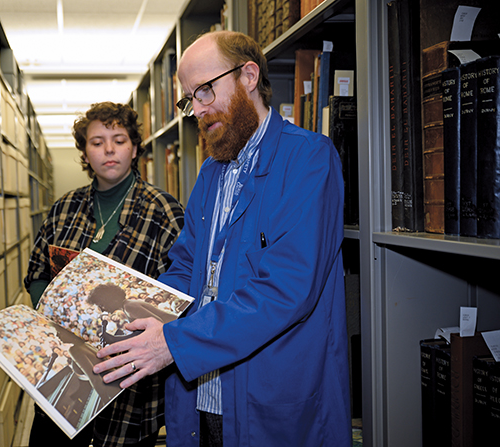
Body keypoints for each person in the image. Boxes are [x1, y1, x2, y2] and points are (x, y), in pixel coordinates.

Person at [93, 30, 351, 446]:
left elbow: (286, 290)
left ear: (249, 75)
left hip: (270, 402)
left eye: (206, 91)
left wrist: (173, 344)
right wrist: (138, 319)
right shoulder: (212, 172)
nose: (197, 109)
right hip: (202, 401)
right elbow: (186, 265)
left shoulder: (309, 160)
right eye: (189, 98)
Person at [24, 101, 185, 447]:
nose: (109, 149)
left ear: (135, 147)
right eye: (97, 142)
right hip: (62, 370)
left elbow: (180, 293)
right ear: (84, 151)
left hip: (129, 383)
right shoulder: (64, 208)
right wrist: (55, 317)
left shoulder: (164, 211)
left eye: (119, 139)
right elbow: (37, 271)